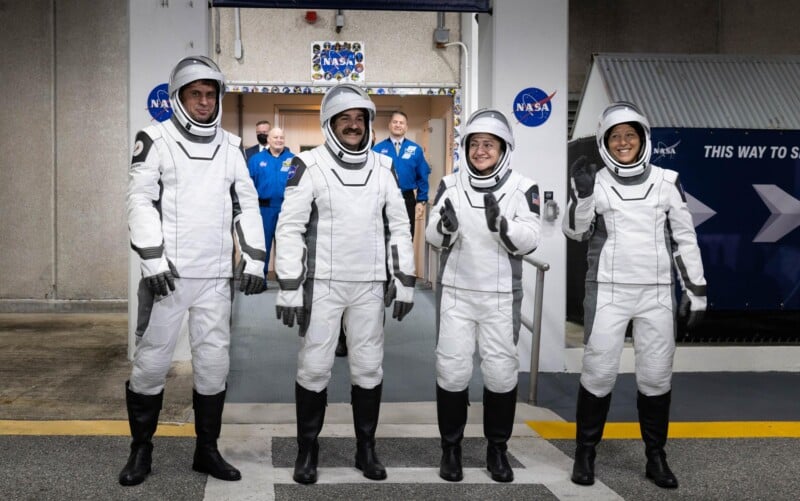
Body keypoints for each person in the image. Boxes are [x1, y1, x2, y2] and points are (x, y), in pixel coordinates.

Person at [121, 56, 267, 486]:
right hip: (166, 278)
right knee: (150, 365)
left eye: (210, 94)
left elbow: (246, 204)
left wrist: (254, 258)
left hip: (215, 278)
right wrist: (153, 259)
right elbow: (140, 201)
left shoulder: (231, 146)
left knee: (213, 365)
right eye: (195, 94)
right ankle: (140, 450)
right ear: (178, 98)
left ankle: (207, 450)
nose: (204, 102)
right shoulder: (155, 138)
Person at [274, 83, 415, 485]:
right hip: (322, 285)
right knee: (314, 368)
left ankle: (365, 449)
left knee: (368, 369)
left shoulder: (384, 167)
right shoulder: (309, 165)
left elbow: (399, 227)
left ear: (369, 123)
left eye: (359, 118)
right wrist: (289, 286)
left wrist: (404, 279)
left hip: (369, 285)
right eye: (344, 119)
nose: (353, 125)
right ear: (329, 124)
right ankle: (307, 450)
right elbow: (289, 228)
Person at [562, 101, 707, 489]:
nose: (623, 142)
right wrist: (582, 196)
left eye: (630, 134)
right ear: (604, 142)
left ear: (644, 138)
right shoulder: (596, 181)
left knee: (656, 377)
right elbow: (575, 231)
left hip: (655, 294)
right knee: (598, 373)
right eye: (615, 136)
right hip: (607, 293)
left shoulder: (667, 181)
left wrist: (696, 290)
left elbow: (685, 238)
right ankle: (585, 453)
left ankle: (656, 457)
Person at [425, 109, 541, 483]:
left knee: (501, 374)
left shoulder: (523, 187)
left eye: (488, 144)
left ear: (504, 149)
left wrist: (503, 227)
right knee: (452, 371)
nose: (480, 151)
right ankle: (451, 449)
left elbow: (531, 238)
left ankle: (497, 450)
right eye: (474, 144)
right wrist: (445, 228)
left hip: (500, 296)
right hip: (457, 294)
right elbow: (431, 235)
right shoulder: (450, 184)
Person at [373, 111, 431, 239]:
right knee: (383, 235)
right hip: (383, 198)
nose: (398, 125)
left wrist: (421, 201)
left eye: (401, 123)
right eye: (395, 122)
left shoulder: (416, 150)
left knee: (406, 235)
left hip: (407, 198)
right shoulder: (377, 150)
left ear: (406, 127)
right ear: (389, 125)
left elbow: (423, 175)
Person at [247, 127, 294, 279]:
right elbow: (248, 188)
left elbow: (299, 185)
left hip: (286, 210)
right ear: (268, 139)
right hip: (264, 210)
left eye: (281, 137)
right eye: (275, 137)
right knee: (263, 246)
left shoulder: (293, 159)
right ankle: (260, 278)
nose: (279, 140)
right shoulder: (256, 160)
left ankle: (285, 280)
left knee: (286, 247)